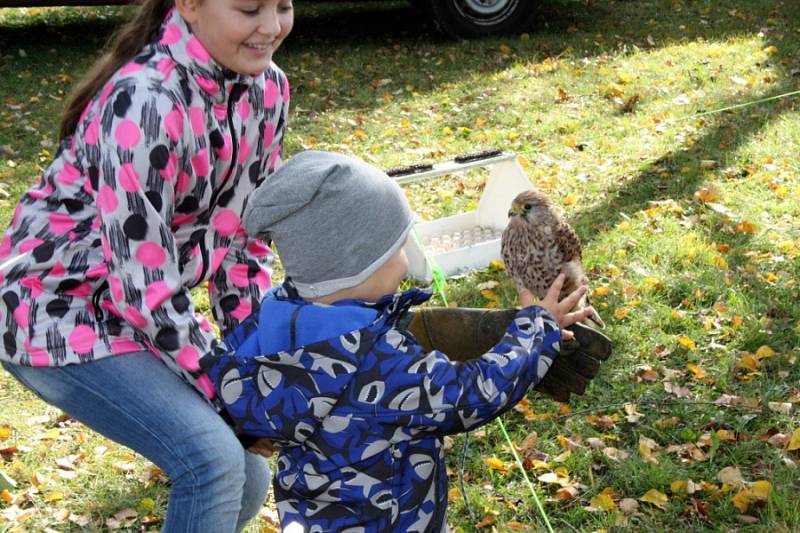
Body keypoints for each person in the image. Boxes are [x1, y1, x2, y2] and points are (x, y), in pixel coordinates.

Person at [0, 0, 293, 530]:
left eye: (285, 5)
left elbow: (244, 242)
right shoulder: (145, 100)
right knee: (213, 461)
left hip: (138, 306)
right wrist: (231, 389)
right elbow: (143, 287)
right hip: (52, 310)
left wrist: (256, 368)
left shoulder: (267, 91)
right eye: (249, 8)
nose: (271, 27)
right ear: (190, 5)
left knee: (247, 478)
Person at [201, 151, 598, 532]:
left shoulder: (271, 320)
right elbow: (471, 394)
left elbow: (231, 384)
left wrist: (245, 429)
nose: (407, 258)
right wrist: (537, 328)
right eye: (398, 247)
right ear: (360, 263)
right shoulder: (377, 359)